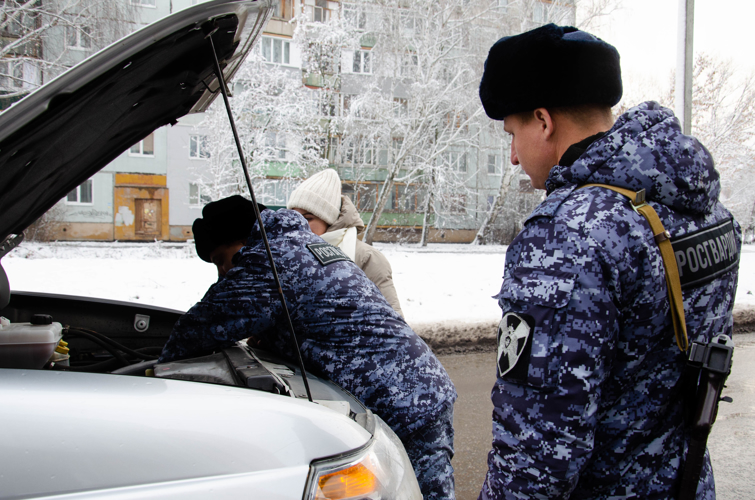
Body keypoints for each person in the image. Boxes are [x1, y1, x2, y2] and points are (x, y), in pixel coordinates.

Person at [477, 24, 741, 499]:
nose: (514, 156)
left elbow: (538, 449)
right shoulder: (702, 209)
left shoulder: (568, 234)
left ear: (543, 120)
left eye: (512, 134)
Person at [159, 195, 457, 499]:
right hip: (417, 388)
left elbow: (197, 329)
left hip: (405, 401)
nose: (224, 273)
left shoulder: (269, 260)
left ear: (242, 239)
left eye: (223, 260)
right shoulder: (301, 244)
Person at [287, 169, 404, 317]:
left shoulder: (367, 258)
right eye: (293, 217)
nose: (298, 224)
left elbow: (394, 324)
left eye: (308, 218)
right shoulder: (286, 256)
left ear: (329, 219)